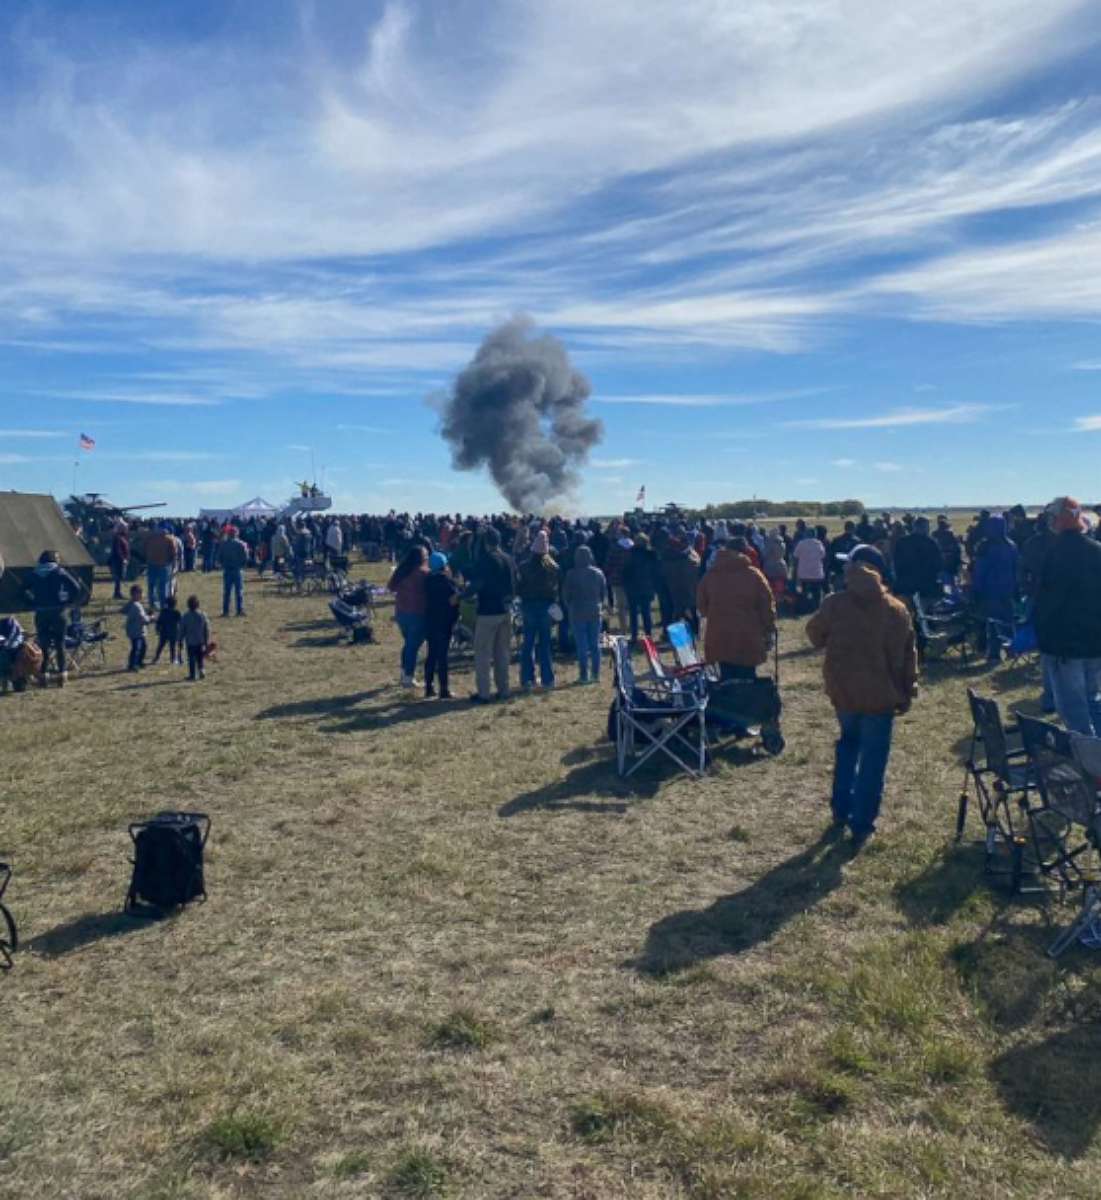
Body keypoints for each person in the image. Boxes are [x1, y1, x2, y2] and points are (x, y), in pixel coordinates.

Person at [806, 545, 918, 848]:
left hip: (844, 692)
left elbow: (814, 635)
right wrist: (908, 691)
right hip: (881, 696)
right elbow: (909, 657)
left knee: (848, 746)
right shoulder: (896, 608)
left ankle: (841, 808)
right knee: (873, 758)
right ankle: (862, 822)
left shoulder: (834, 604)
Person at [1034, 497, 1101, 736]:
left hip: (1065, 646)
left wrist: (1042, 635)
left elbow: (1047, 602)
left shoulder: (1055, 554)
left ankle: (1090, 763)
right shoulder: (1096, 551)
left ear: (1059, 519)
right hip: (1094, 643)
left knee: (1073, 708)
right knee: (1093, 700)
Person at [696, 537, 776, 680]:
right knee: (748, 676)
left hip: (719, 633)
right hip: (748, 633)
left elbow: (701, 606)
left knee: (726, 676)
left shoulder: (711, 575)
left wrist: (717, 613)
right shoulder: (753, 575)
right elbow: (766, 605)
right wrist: (769, 628)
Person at [23, 549, 88, 687]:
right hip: (58, 612)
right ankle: (62, 675)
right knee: (60, 644)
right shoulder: (59, 572)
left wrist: (32, 602)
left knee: (44, 645)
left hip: (41, 613)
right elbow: (76, 587)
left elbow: (22, 590)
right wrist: (68, 601)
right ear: (53, 559)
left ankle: (44, 676)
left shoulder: (34, 574)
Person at [466, 527, 516, 704]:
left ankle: (484, 693)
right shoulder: (509, 559)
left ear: (485, 543)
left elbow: (477, 584)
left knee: (482, 654)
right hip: (505, 610)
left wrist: (463, 594)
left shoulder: (485, 560)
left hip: (488, 611)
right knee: (502, 653)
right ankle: (504, 690)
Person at [971, 515, 1018, 663]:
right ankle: (1012, 650)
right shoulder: (1011, 545)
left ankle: (994, 654)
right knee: (1008, 621)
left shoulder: (985, 547)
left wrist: (976, 590)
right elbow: (1017, 568)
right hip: (1008, 589)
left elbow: (980, 571)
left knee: (993, 623)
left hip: (991, 591)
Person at [517, 531, 560, 691]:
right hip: (546, 607)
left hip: (528, 606)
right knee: (545, 644)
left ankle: (527, 679)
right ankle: (547, 680)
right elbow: (556, 589)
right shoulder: (553, 568)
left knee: (527, 644)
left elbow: (519, 588)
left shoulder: (524, 567)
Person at [562, 543, 607, 684]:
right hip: (594, 610)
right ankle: (595, 673)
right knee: (595, 644)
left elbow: (565, 595)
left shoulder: (571, 574)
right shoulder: (598, 573)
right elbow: (603, 593)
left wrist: (569, 606)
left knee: (581, 645)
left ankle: (583, 675)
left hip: (577, 611)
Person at [388, 545, 430, 687]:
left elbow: (391, 587)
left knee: (409, 644)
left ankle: (404, 672)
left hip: (401, 612)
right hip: (418, 613)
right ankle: (408, 677)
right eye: (426, 556)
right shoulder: (424, 573)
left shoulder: (402, 571)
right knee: (413, 646)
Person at [423, 552, 459, 699]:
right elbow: (454, 599)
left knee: (431, 654)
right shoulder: (447, 582)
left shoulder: (427, 581)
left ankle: (429, 687)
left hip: (430, 620)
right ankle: (444, 688)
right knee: (442, 656)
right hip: (445, 621)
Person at [891, 516, 943, 602]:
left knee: (907, 610)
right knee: (927, 611)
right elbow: (938, 564)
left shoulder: (902, 541)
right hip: (926, 584)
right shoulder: (931, 542)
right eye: (927, 527)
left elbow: (896, 563)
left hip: (906, 583)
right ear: (925, 527)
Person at [622, 532, 658, 642]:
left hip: (632, 588)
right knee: (646, 612)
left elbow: (625, 571)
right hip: (646, 587)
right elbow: (655, 572)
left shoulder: (630, 554)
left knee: (633, 614)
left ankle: (634, 635)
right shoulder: (651, 554)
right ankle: (648, 634)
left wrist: (626, 585)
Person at [143, 523, 178, 611]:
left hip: (151, 564)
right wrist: (173, 563)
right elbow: (174, 552)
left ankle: (152, 604)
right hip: (164, 564)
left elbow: (144, 548)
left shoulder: (150, 538)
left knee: (151, 585)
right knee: (163, 587)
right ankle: (163, 605)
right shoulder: (170, 539)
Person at [792, 528, 827, 610]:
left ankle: (804, 606)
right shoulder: (819, 544)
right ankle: (817, 607)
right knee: (817, 592)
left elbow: (795, 556)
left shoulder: (801, 544)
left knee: (803, 592)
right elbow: (823, 556)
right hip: (816, 573)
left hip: (804, 572)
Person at [218, 526, 249, 617]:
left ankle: (225, 611)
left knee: (227, 592)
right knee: (239, 591)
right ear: (236, 533)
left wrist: (224, 564)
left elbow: (219, 558)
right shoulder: (241, 544)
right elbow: (246, 557)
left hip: (227, 569)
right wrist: (242, 565)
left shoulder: (223, 544)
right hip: (237, 569)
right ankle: (239, 610)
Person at [181, 594, 211, 681]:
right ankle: (202, 670)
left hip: (190, 642)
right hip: (200, 641)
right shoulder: (202, 615)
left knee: (191, 659)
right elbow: (207, 628)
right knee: (200, 657)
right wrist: (206, 640)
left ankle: (192, 674)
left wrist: (180, 638)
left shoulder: (185, 616)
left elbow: (182, 629)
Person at [123, 583, 152, 672]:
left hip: (135, 630)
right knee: (137, 649)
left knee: (143, 647)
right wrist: (151, 618)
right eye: (139, 593)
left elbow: (124, 610)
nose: (141, 595)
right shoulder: (137, 606)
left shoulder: (132, 604)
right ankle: (133, 664)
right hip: (136, 631)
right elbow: (143, 619)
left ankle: (139, 662)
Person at [152, 594, 183, 665]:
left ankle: (156, 658)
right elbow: (181, 622)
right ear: (175, 604)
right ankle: (173, 659)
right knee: (172, 647)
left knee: (160, 646)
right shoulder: (176, 612)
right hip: (173, 632)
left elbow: (159, 621)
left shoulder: (163, 611)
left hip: (164, 632)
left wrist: (157, 629)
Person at [109, 521, 130, 600]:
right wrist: (123, 559)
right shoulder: (118, 538)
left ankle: (117, 592)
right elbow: (118, 550)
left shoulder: (122, 537)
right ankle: (117, 593)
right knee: (118, 577)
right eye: (125, 527)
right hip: (118, 561)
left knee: (119, 578)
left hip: (120, 561)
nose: (127, 529)